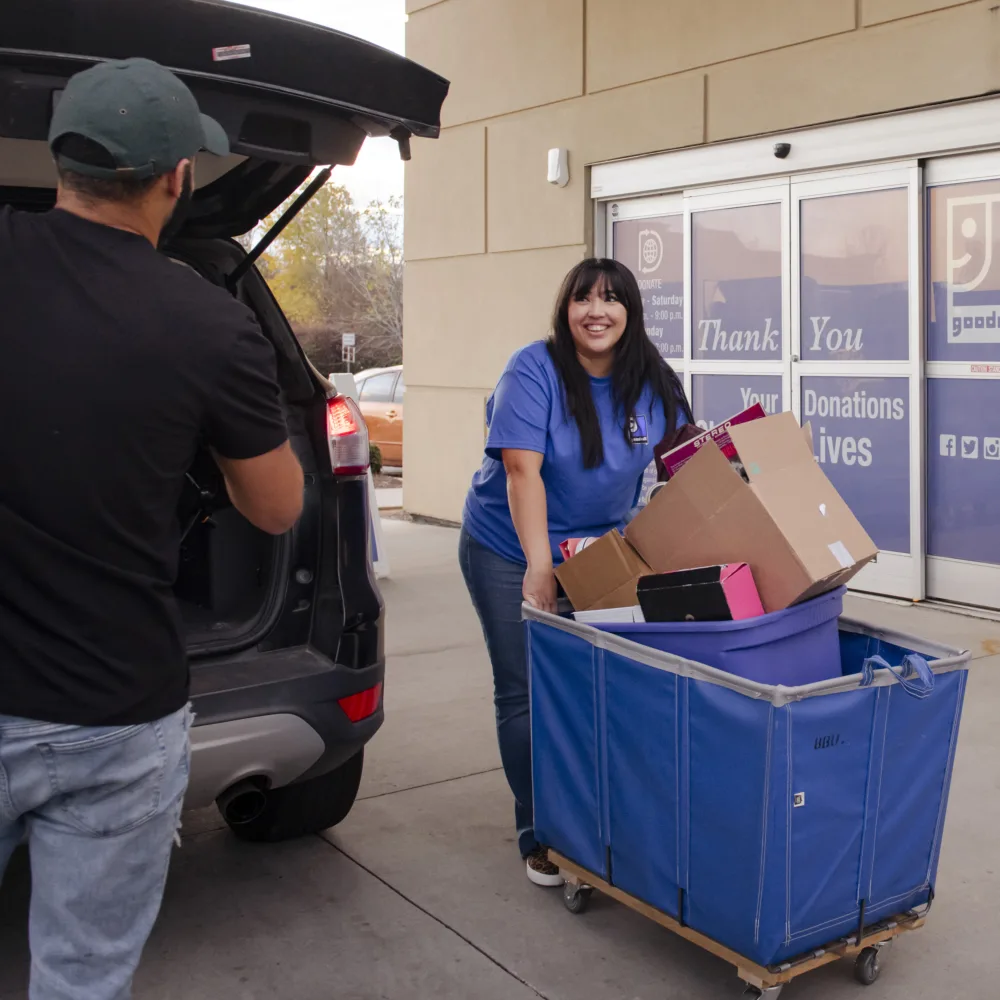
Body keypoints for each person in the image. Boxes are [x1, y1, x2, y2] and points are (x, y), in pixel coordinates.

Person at [0, 58, 304, 999]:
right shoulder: (210, 325)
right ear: (179, 177)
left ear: (58, 161)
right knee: (83, 978)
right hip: (115, 712)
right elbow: (278, 507)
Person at [460, 258, 691, 886]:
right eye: (584, 299)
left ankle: (594, 812)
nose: (597, 311)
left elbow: (688, 466)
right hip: (508, 549)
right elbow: (520, 471)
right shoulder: (533, 369)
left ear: (630, 311)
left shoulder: (651, 379)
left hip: (595, 553)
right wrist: (538, 568)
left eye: (612, 299)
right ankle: (541, 831)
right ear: (566, 310)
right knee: (526, 692)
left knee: (595, 689)